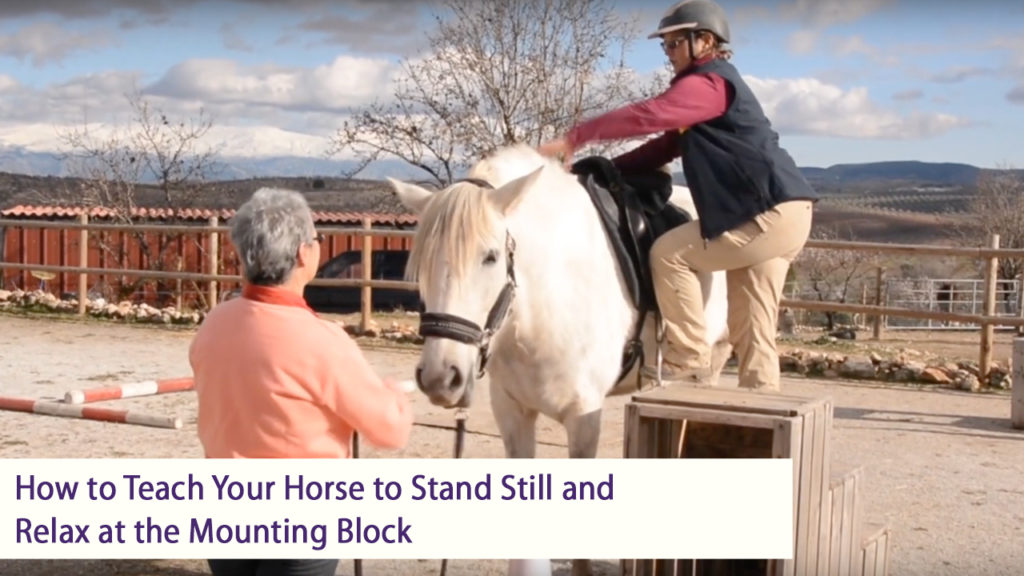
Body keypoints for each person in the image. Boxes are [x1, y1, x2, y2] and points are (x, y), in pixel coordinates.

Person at [537, 0, 817, 391]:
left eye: (673, 44)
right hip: (786, 212)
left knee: (669, 254)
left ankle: (687, 360)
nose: (667, 54)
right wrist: (606, 169)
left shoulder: (709, 84)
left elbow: (650, 115)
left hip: (765, 214)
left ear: (703, 41)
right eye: (664, 46)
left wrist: (576, 137)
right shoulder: (710, 88)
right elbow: (663, 148)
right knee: (752, 327)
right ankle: (762, 417)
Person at [189, 187, 415, 576]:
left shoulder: (214, 323)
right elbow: (389, 430)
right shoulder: (321, 340)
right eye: (316, 239)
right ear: (301, 254)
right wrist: (395, 394)